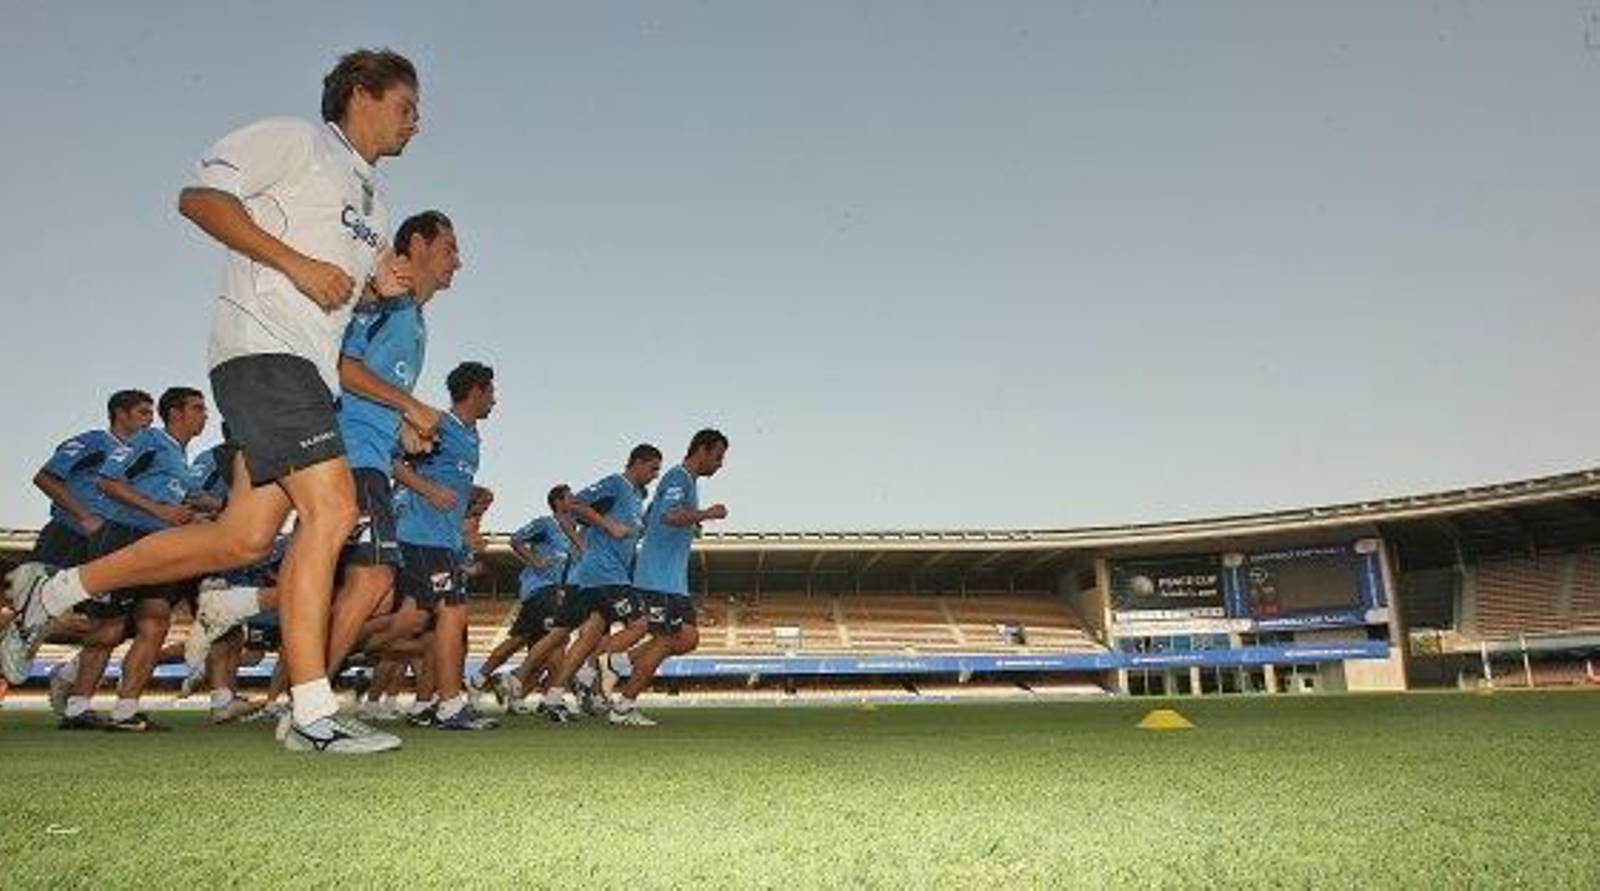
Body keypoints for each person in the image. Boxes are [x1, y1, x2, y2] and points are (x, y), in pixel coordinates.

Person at [5, 48, 422, 754]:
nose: (416, 124)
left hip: (307, 371)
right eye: (407, 107)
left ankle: (50, 593)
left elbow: (335, 289)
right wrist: (293, 263)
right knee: (336, 509)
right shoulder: (296, 140)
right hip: (262, 352)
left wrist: (374, 287)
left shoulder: (374, 202)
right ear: (362, 93)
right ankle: (312, 712)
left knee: (242, 540)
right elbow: (199, 199)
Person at [392, 361, 498, 730]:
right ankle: (450, 706)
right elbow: (389, 459)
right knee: (452, 612)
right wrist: (428, 490)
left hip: (445, 540)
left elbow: (448, 477)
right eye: (491, 393)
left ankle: (339, 645)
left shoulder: (471, 435)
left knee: (415, 622)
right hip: (422, 534)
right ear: (476, 391)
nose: (495, 401)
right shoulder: (436, 422)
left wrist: (471, 495)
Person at [609, 429, 729, 726]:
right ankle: (623, 706)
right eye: (718, 456)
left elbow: (652, 518)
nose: (720, 463)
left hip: (671, 580)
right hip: (658, 578)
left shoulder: (684, 480)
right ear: (701, 450)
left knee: (688, 638)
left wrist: (690, 525)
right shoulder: (679, 477)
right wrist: (705, 514)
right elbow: (669, 516)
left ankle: (617, 663)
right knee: (668, 638)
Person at [533, 444, 661, 722]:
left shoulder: (635, 497)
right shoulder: (616, 483)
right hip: (606, 573)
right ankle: (596, 669)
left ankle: (553, 698)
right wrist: (608, 526)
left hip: (601, 574)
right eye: (652, 469)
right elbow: (574, 504)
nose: (654, 475)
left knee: (588, 637)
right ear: (637, 463)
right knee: (640, 624)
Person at [467, 484, 580, 707]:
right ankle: (551, 701)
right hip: (541, 589)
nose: (575, 501)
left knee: (529, 642)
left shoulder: (574, 530)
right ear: (557, 502)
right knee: (555, 642)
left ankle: (500, 689)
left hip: (557, 592)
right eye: (570, 498)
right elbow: (516, 540)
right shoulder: (546, 524)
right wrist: (535, 561)